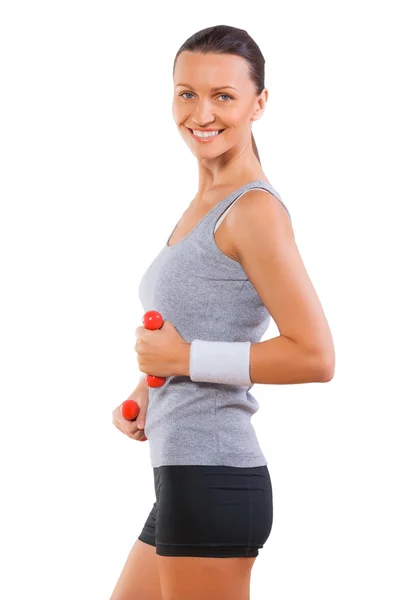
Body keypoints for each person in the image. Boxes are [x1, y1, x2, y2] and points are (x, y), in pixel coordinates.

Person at [110, 24, 335, 600]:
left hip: (214, 480)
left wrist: (181, 357)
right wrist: (149, 385)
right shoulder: (203, 203)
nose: (202, 112)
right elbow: (206, 329)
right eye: (187, 93)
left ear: (258, 103)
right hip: (183, 480)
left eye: (224, 96)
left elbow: (314, 355)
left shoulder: (254, 210)